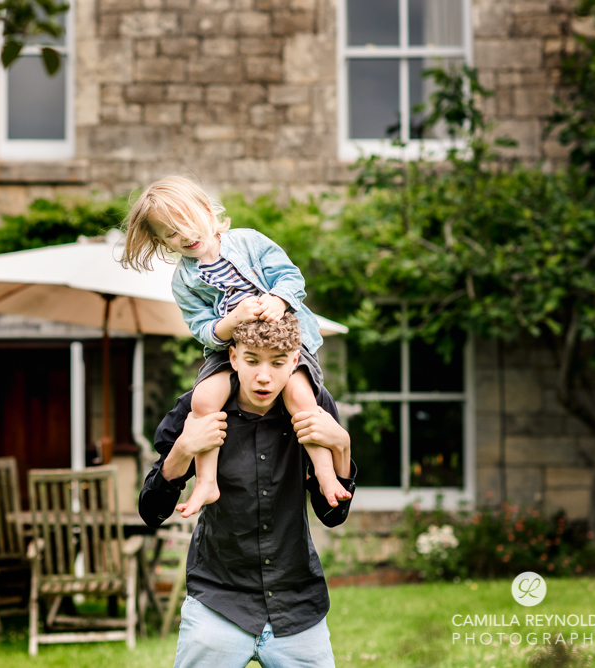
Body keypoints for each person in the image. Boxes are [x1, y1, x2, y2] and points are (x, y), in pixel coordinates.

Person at [121, 176, 351, 517]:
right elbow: (202, 328)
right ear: (160, 241)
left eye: (188, 223)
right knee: (202, 399)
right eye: (171, 234)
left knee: (301, 398)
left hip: (287, 334)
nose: (185, 236)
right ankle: (206, 480)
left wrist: (277, 299)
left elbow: (290, 278)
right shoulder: (185, 281)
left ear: (205, 209)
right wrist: (232, 321)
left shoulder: (249, 243)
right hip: (225, 345)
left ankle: (325, 473)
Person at [138, 314, 357, 668]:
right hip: (218, 602)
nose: (264, 376)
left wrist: (342, 447)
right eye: (252, 360)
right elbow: (151, 512)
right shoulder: (199, 407)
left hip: (297, 606)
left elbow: (333, 515)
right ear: (234, 357)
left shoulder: (312, 407)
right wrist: (181, 452)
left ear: (295, 361)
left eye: (278, 362)